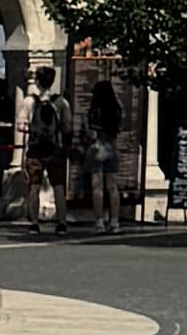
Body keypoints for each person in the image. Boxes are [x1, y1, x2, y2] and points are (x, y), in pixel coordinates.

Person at [21, 63, 72, 233]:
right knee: (58, 185)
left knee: (34, 186)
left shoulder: (29, 102)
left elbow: (21, 125)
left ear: (36, 82)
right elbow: (67, 127)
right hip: (54, 150)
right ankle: (62, 222)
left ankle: (34, 223)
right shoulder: (61, 103)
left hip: (35, 150)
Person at [79, 75, 125, 233]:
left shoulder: (94, 110)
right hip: (112, 146)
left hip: (97, 147)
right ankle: (115, 222)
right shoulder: (115, 109)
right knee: (112, 187)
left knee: (97, 187)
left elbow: (90, 133)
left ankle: (99, 221)